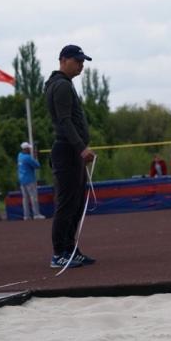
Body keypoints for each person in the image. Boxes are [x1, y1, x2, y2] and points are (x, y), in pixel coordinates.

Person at [45, 45, 97, 269]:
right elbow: (65, 121)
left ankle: (70, 249)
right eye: (77, 61)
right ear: (63, 60)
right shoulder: (61, 86)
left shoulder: (62, 84)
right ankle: (59, 253)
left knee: (75, 204)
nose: (81, 65)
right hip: (67, 150)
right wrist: (80, 147)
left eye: (82, 61)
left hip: (70, 150)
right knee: (67, 204)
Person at [17, 142, 44, 220]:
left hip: (22, 180)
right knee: (33, 197)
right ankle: (36, 214)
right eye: (28, 148)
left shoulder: (19, 156)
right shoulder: (27, 158)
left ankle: (26, 215)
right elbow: (37, 165)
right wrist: (35, 157)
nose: (30, 150)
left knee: (25, 198)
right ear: (26, 149)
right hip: (30, 180)